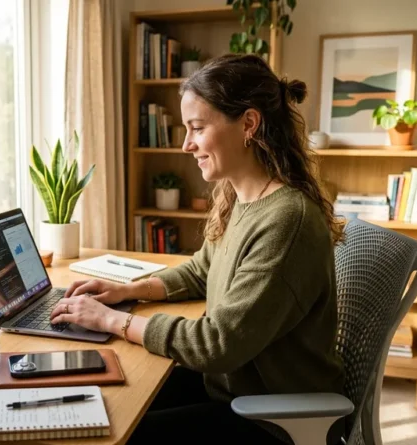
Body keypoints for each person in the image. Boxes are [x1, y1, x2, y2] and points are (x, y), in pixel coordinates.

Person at [50, 54, 344, 443]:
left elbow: (215, 344)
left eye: (198, 128)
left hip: (272, 418)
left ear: (249, 124)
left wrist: (110, 320)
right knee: (107, 398)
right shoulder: (242, 196)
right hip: (234, 386)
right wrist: (128, 291)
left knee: (112, 431)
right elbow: (201, 269)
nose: (187, 144)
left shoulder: (286, 221)